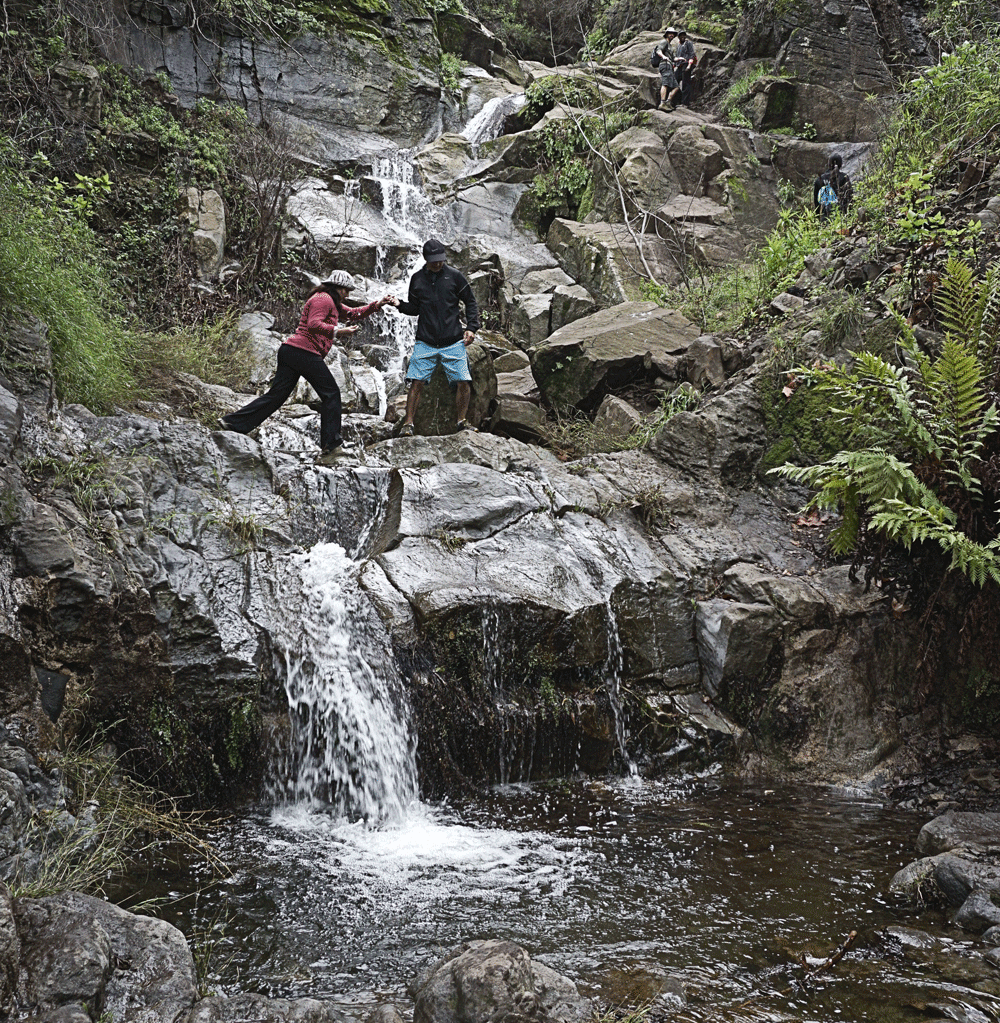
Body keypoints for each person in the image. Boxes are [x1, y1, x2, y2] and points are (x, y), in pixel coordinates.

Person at [219, 270, 394, 464]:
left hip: (294, 352)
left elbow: (353, 314)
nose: (348, 294)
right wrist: (338, 331)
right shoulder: (323, 299)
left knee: (276, 396)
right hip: (303, 352)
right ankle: (331, 446)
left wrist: (377, 305)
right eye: (346, 290)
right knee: (331, 394)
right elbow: (313, 324)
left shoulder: (331, 302)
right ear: (338, 287)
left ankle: (233, 423)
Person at [386, 238, 481, 436]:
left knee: (464, 381)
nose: (438, 263)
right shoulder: (417, 279)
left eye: (441, 259)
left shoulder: (454, 277)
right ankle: (408, 424)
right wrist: (399, 304)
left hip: (453, 340)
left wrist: (472, 327)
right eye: (434, 260)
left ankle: (461, 421)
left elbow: (471, 302)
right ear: (426, 259)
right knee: (416, 382)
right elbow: (414, 308)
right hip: (426, 341)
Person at [813, 154, 854, 219]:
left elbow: (816, 202)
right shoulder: (844, 178)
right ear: (840, 165)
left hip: (825, 217)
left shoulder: (820, 179)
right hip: (840, 217)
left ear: (828, 164)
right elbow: (849, 197)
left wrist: (818, 217)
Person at [653, 28, 681, 110]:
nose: (672, 35)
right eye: (670, 33)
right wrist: (663, 56)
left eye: (673, 34)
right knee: (665, 84)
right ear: (667, 34)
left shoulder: (670, 46)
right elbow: (658, 50)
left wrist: (680, 59)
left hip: (670, 66)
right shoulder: (664, 42)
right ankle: (662, 103)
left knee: (676, 86)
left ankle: (668, 102)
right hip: (664, 65)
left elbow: (673, 58)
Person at [674, 28, 697, 106]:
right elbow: (677, 57)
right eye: (681, 35)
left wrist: (689, 65)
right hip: (680, 66)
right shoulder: (679, 46)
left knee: (685, 83)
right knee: (674, 80)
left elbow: (691, 54)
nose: (683, 36)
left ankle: (685, 103)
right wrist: (674, 65)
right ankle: (679, 99)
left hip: (686, 64)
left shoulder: (688, 43)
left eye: (684, 35)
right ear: (678, 37)